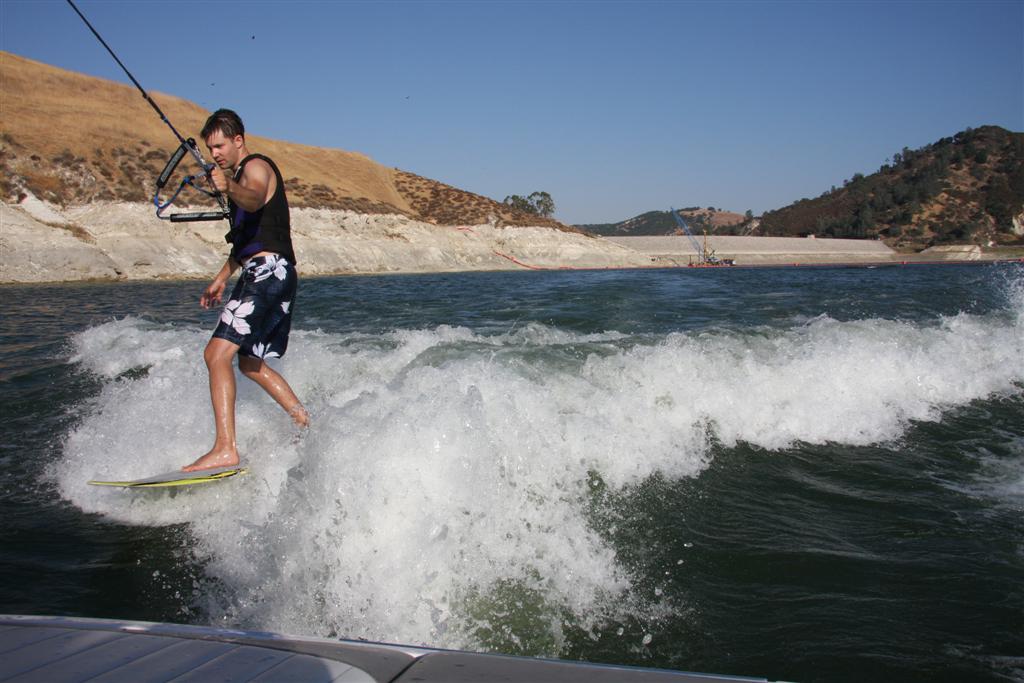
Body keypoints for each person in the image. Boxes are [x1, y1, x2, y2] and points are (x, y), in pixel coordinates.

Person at [183, 109, 308, 472]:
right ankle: (303, 422)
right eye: (210, 149)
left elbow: (252, 197)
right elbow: (247, 243)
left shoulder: (256, 167)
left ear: (238, 140)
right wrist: (221, 278)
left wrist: (229, 187)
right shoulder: (238, 176)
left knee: (216, 354)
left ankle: (225, 448)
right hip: (269, 271)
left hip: (268, 272)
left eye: (220, 146)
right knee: (250, 362)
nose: (215, 154)